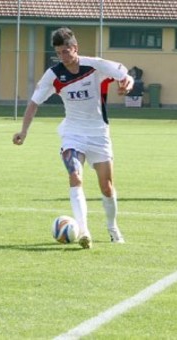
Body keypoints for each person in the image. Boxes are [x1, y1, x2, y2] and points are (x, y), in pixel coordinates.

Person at [12, 27, 133, 249]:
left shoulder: (94, 65)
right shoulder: (54, 74)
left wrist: (127, 84)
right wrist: (24, 131)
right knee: (75, 176)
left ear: (75, 48)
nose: (63, 57)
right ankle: (84, 230)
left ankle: (112, 227)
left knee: (106, 187)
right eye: (59, 53)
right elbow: (34, 103)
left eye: (66, 51)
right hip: (72, 134)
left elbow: (125, 74)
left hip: (98, 134)